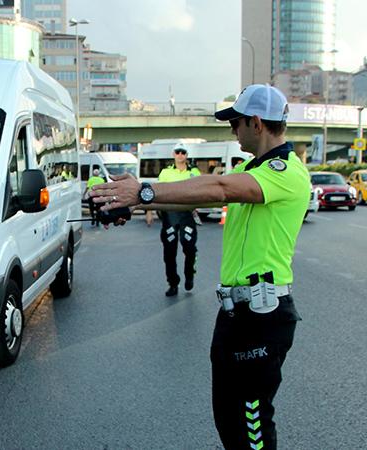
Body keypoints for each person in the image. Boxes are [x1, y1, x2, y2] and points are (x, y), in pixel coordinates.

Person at [90, 84, 306, 450]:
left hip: (262, 317)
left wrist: (144, 191)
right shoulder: (253, 170)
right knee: (228, 420)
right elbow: (201, 192)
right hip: (236, 316)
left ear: (255, 123)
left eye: (235, 123)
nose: (232, 131)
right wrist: (132, 204)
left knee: (251, 425)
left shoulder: (284, 173)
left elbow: (218, 188)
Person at [146, 144, 202, 296]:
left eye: (183, 152)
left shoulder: (194, 172)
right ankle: (173, 283)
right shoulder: (165, 172)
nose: (180, 155)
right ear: (173, 154)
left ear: (187, 155)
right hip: (169, 215)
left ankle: (189, 274)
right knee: (169, 252)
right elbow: (155, 192)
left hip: (187, 214)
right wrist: (149, 211)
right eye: (178, 152)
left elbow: (202, 191)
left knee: (188, 247)